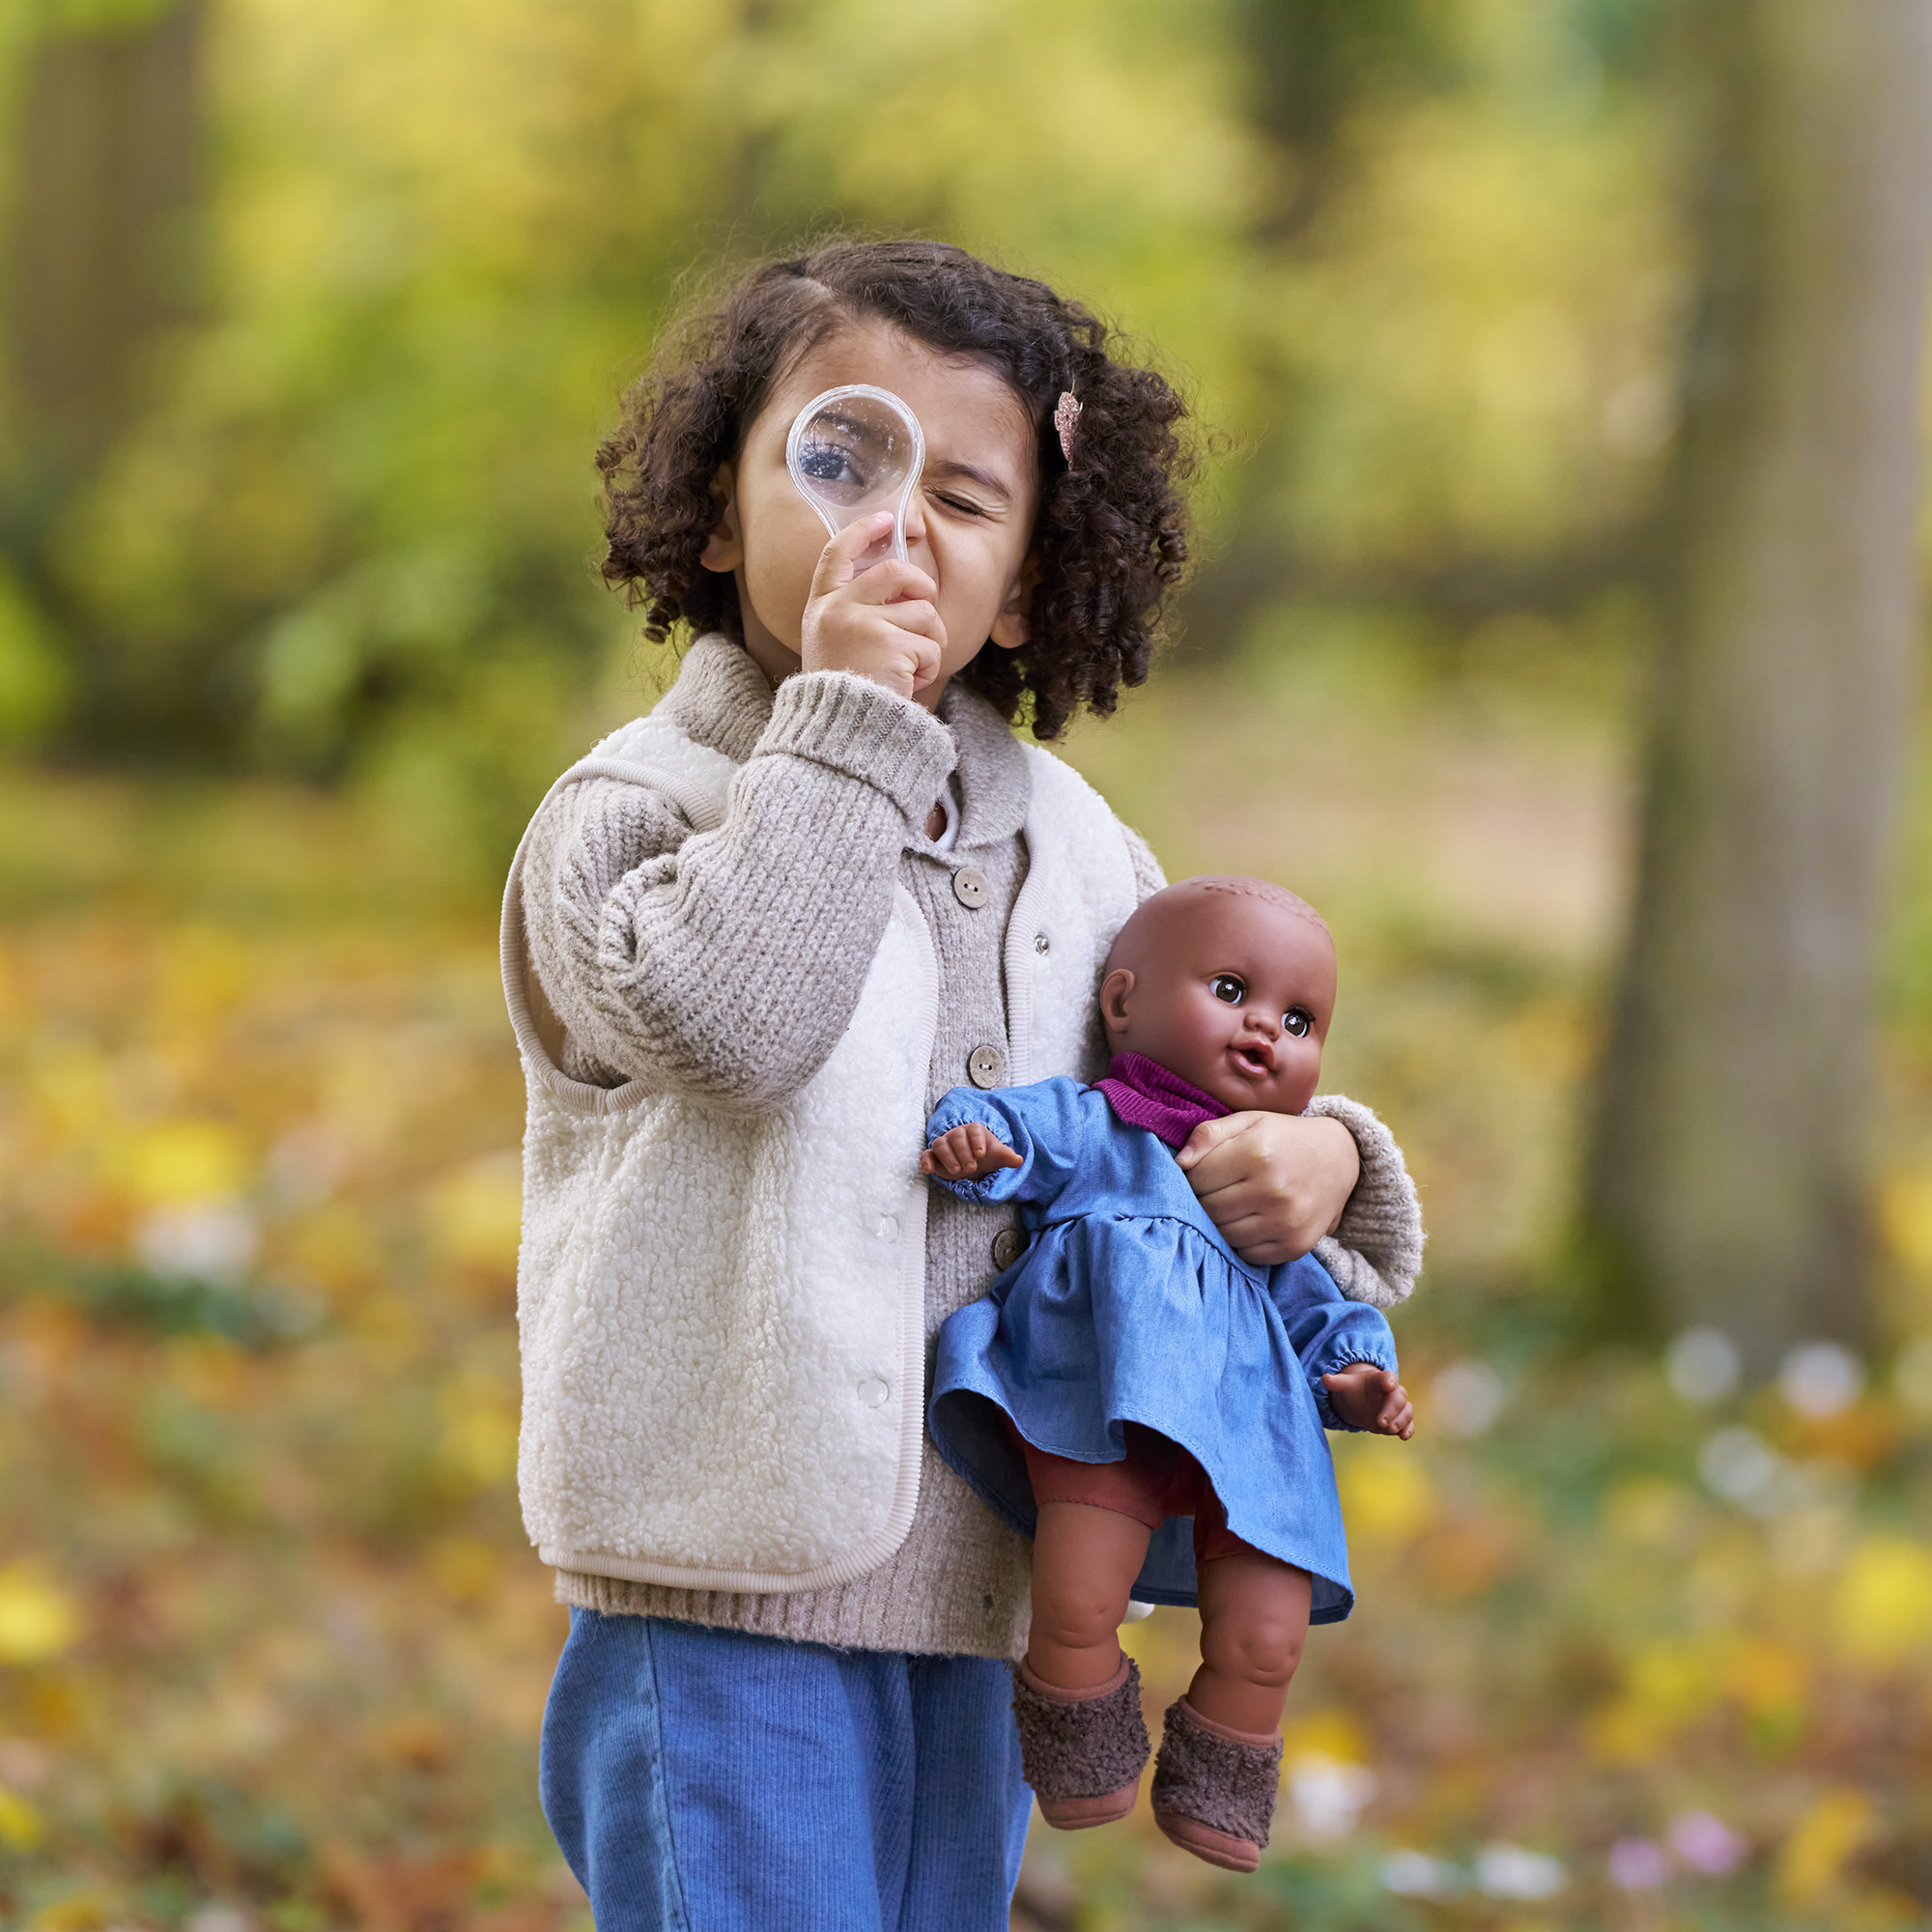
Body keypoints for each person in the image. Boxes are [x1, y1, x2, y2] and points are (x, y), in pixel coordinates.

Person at [502, 240, 1425, 1930]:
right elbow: (732, 1023)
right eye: (841, 461)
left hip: (990, 1591)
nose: (898, 523)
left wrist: (1315, 1161)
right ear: (721, 514)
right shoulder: (631, 812)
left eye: (969, 497)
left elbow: (1159, 1131)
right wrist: (845, 717)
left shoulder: (1084, 854)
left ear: (1027, 586)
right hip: (718, 1593)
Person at [923, 874, 1417, 1874]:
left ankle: (1219, 1779)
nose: (1263, 1031)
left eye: (1297, 1018)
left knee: (1268, 1634)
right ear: (1120, 1003)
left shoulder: (1263, 1189)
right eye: (1230, 988)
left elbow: (1320, 1308)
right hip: (1098, 1412)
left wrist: (1359, 1375)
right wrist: (975, 1140)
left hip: (1249, 1442)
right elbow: (1008, 1128)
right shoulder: (1100, 1128)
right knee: (1072, 1597)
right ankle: (1078, 1737)